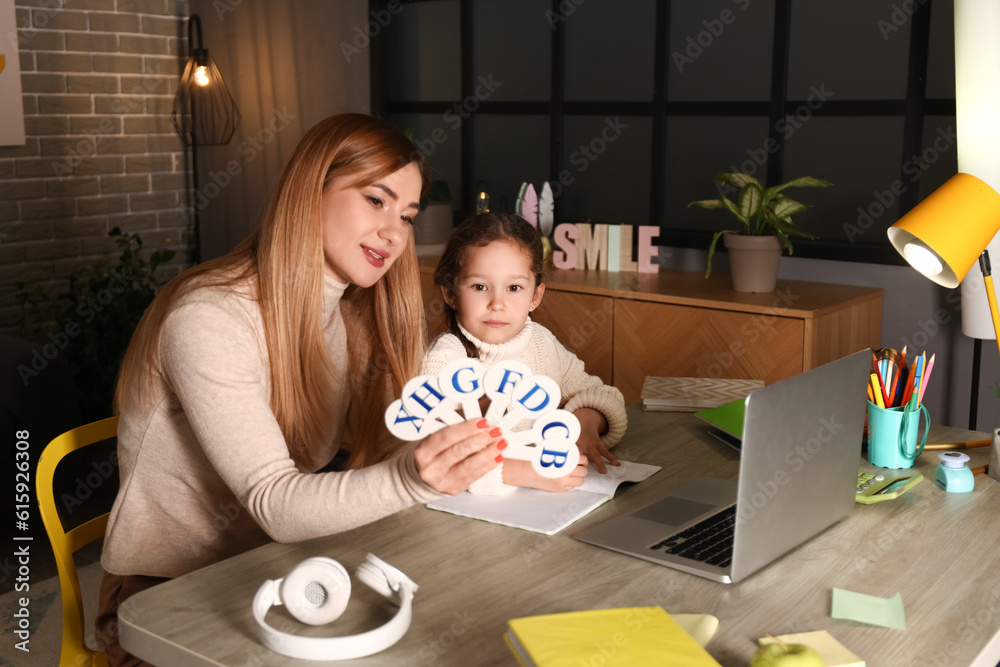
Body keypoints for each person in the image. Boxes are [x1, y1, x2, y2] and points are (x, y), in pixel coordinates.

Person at [95, 113, 503, 666]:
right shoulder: (209, 319)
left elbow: (384, 449)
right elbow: (276, 503)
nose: (394, 232)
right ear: (311, 189)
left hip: (278, 567)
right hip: (165, 598)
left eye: (407, 215)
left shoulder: (352, 317)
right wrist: (413, 476)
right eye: (376, 200)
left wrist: (477, 447)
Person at [423, 212, 627, 495]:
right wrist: (521, 471)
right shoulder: (445, 362)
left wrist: (586, 421)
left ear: (535, 296)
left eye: (514, 288)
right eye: (479, 287)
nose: (497, 303)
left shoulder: (542, 344)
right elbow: (430, 460)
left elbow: (602, 394)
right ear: (450, 294)